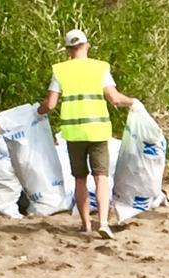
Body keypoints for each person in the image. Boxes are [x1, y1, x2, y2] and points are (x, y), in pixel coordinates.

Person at [38, 28, 138, 240]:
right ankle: (102, 222)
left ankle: (85, 225)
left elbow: (51, 104)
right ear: (87, 46)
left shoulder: (60, 70)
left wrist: (36, 111)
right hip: (98, 130)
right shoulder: (100, 68)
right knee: (101, 178)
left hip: (74, 133)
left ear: (68, 50)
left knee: (80, 179)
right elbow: (114, 98)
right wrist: (133, 102)